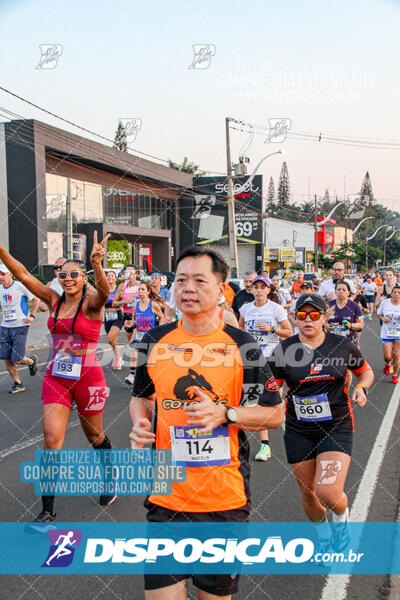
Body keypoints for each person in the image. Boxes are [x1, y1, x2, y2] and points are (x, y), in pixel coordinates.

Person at [129, 246, 283, 600]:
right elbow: (142, 396)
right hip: (166, 495)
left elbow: (274, 413)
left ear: (220, 290)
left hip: (222, 500)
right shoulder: (154, 340)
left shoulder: (243, 345)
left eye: (200, 281)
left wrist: (226, 414)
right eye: (181, 280)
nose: (188, 288)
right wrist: (140, 423)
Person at [0, 232, 117, 525]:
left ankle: (109, 477)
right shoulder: (53, 299)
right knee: (52, 440)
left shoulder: (92, 304)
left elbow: (104, 292)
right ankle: (48, 510)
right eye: (63, 274)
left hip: (88, 378)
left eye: (74, 274)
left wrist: (98, 264)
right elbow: (23, 274)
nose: (68, 278)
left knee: (95, 436)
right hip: (57, 376)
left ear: (83, 278)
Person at [270, 293, 374, 553]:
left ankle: (341, 523)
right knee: (308, 493)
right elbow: (273, 386)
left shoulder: (342, 345)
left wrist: (362, 387)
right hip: (298, 429)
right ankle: (325, 537)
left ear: (324, 319)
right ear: (294, 318)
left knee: (327, 491)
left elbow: (365, 371)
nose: (308, 320)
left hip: (335, 425)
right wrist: (275, 400)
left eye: (314, 315)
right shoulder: (284, 350)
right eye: (302, 315)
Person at [239, 275, 292, 461]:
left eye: (263, 287)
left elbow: (289, 332)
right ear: (252, 289)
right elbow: (240, 330)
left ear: (269, 290)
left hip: (272, 358)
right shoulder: (246, 308)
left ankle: (282, 415)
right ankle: (265, 446)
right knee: (258, 401)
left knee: (274, 397)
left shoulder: (276, 309)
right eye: (256, 287)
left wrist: (271, 330)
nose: (259, 290)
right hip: (253, 358)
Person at [0, 263, 39, 393]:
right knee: (7, 358)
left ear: (10, 274)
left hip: (20, 326)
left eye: (3, 274)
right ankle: (18, 383)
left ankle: (31, 361)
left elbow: (36, 299)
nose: (1, 277)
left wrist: (32, 315)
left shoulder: (20, 286)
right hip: (5, 327)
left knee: (17, 358)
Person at [113, 265, 140, 385]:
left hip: (140, 317)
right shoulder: (122, 286)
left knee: (134, 345)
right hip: (127, 317)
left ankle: (133, 373)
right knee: (132, 344)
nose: (128, 274)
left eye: (131, 272)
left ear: (136, 274)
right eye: (126, 272)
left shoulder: (141, 286)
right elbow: (114, 303)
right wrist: (125, 302)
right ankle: (139, 369)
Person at [326, 281, 364, 347]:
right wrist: (325, 325)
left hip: (349, 341)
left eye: (344, 290)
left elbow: (361, 324)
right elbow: (321, 320)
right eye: (338, 289)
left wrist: (351, 325)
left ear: (348, 293)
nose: (341, 291)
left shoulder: (355, 306)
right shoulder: (328, 305)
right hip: (332, 341)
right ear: (335, 292)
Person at [130, 281, 164, 349]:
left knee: (147, 359)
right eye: (139, 289)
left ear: (148, 292)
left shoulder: (154, 305)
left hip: (150, 338)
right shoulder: (135, 305)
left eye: (143, 289)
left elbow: (162, 318)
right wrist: (129, 325)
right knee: (135, 359)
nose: (140, 291)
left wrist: (158, 332)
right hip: (138, 339)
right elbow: (134, 322)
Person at [377, 286, 400, 383]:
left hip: (398, 333)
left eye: (399, 292)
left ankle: (395, 375)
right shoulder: (385, 303)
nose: (396, 294)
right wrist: (383, 319)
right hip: (386, 332)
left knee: (397, 355)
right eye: (394, 292)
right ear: (391, 293)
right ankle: (387, 364)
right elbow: (379, 313)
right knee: (387, 356)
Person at [104, 270, 124, 370]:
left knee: (110, 338)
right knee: (112, 340)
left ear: (115, 278)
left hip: (117, 315)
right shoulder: (104, 290)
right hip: (107, 316)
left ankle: (118, 358)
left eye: (112, 276)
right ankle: (118, 358)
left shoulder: (118, 289)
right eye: (108, 276)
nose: (110, 277)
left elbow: (123, 302)